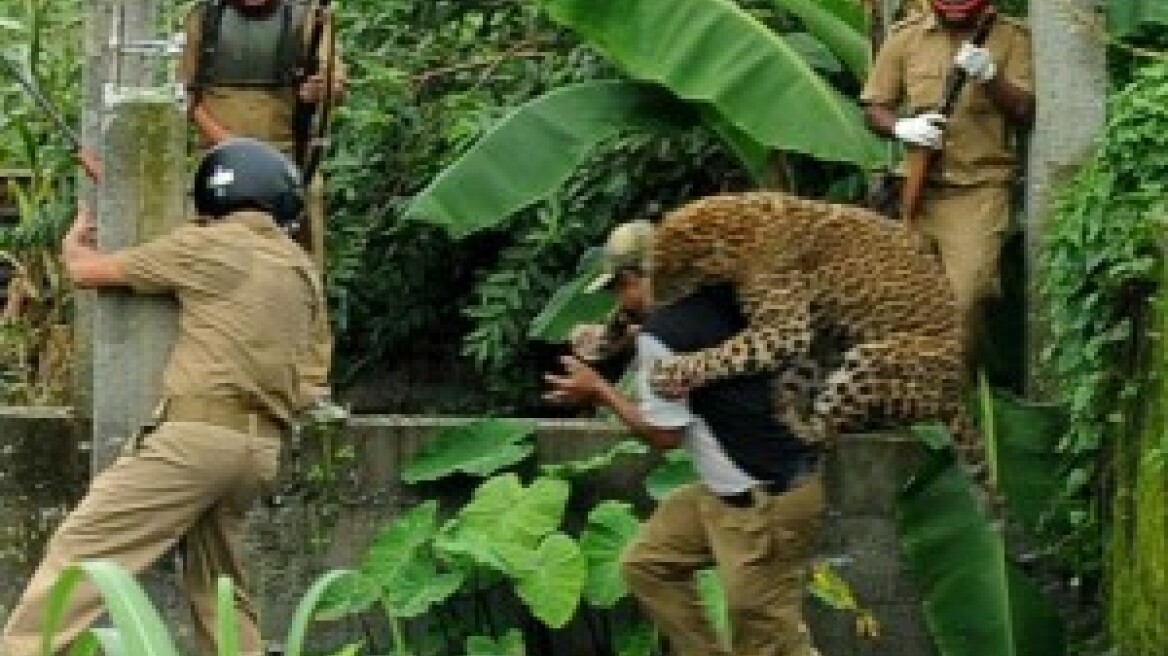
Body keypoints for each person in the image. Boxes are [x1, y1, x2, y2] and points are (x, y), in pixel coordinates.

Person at [1, 139, 330, 656]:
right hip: (258, 450)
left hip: (193, 444)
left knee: (83, 554)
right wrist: (118, 181)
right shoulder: (298, 268)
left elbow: (92, 271)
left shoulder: (209, 248)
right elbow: (311, 379)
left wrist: (74, 247)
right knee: (220, 590)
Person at [545, 221, 825, 656]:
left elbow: (663, 436)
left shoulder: (663, 337)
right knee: (648, 564)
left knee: (768, 641)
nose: (620, 303)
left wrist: (598, 390)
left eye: (619, 290)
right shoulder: (722, 298)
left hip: (762, 505)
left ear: (635, 280)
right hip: (731, 492)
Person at [861, 0, 1034, 363]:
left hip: (978, 189)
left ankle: (954, 390)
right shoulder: (906, 36)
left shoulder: (1012, 38)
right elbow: (875, 107)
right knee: (899, 302)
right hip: (915, 188)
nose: (955, 10)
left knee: (966, 298)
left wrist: (992, 78)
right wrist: (901, 126)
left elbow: (1024, 111)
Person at [180, 0, 347, 268]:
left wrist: (319, 89)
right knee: (209, 259)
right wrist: (231, 146)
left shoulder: (307, 17)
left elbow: (335, 86)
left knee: (300, 261)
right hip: (220, 162)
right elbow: (186, 94)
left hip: (288, 160)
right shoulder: (205, 16)